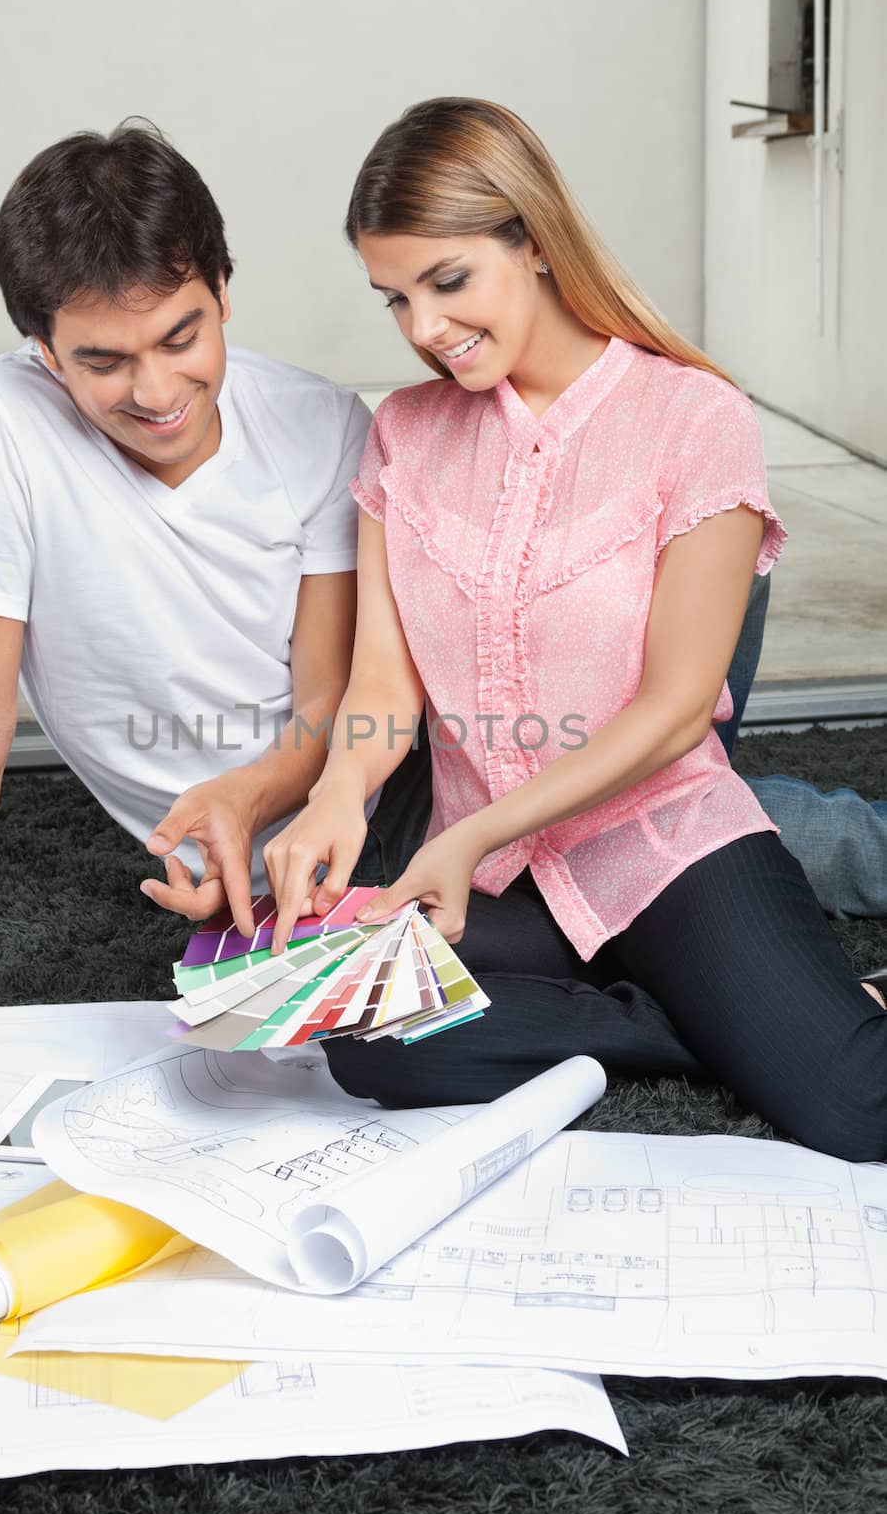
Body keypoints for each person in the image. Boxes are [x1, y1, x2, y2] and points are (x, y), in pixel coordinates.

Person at [263, 96, 887, 1162]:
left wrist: (465, 836)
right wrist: (333, 797)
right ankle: (694, 1027)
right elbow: (382, 693)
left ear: (535, 242)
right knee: (351, 1024)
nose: (422, 328)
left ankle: (745, 1020)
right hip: (502, 885)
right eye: (394, 298)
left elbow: (676, 705)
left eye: (446, 281)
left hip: (660, 848)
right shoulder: (405, 436)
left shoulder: (695, 418)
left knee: (855, 1109)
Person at [0, 123, 376, 1007]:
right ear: (43, 350)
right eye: (105, 362)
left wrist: (248, 800)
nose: (155, 393)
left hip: (367, 795)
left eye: (180, 337)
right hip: (240, 857)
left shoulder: (324, 426)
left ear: (222, 291)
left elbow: (332, 703)